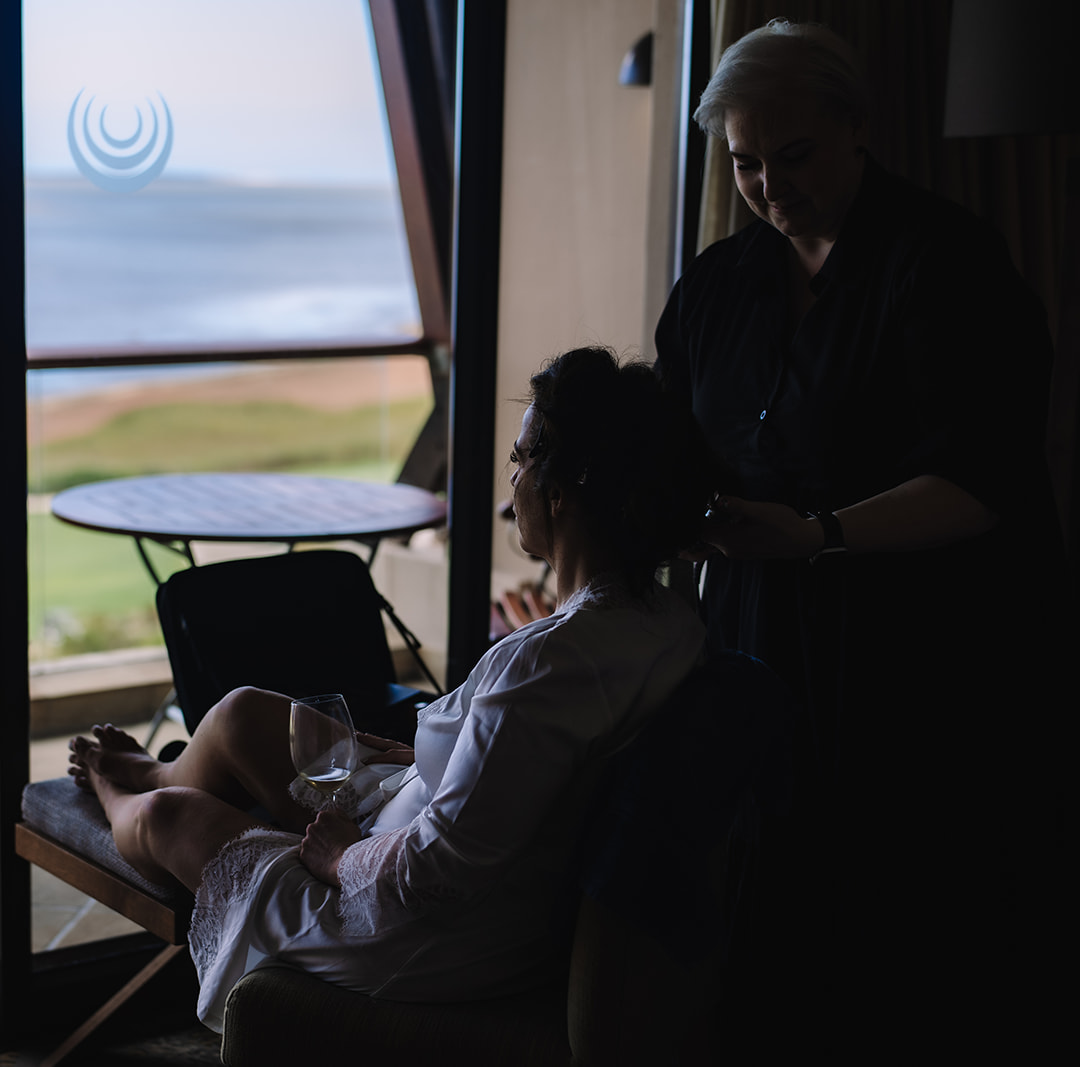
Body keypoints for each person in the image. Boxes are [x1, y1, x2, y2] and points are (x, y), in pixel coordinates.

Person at [69, 346, 713, 1031]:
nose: (511, 483)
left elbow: (434, 873)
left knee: (169, 815)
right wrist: (419, 760)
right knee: (238, 716)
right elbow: (533, 777)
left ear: (563, 493)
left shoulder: (549, 668)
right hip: (445, 846)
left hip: (415, 935)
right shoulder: (666, 623)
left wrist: (339, 854)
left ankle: (114, 785)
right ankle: (155, 765)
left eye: (522, 460)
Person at [653, 18, 1066, 1060]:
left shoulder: (945, 262)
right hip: (752, 622)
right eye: (743, 163)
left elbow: (988, 480)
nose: (767, 186)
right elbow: (670, 440)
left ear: (854, 128)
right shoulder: (717, 282)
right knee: (766, 888)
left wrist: (816, 533)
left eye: (790, 156)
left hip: (919, 634)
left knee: (902, 914)